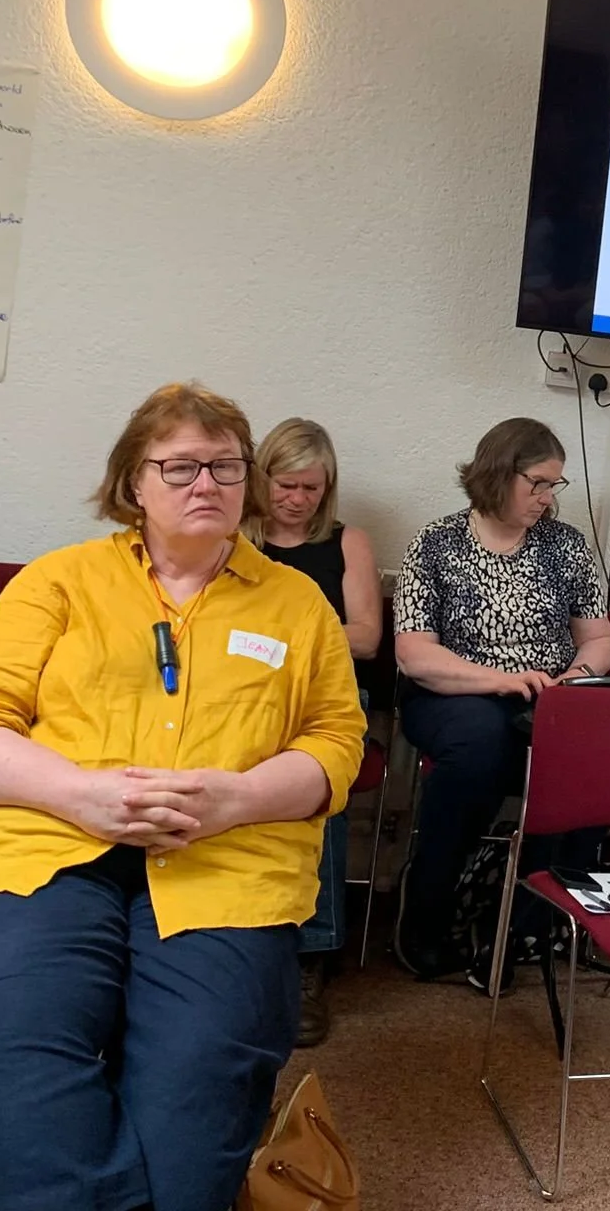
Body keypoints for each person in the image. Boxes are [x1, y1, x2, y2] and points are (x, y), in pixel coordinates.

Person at [0, 383, 366, 1211]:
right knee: (25, 1055)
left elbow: (336, 748)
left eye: (227, 467)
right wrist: (80, 794)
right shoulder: (58, 582)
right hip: (44, 852)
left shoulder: (298, 604)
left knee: (199, 1089)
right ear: (134, 483)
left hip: (228, 865)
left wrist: (238, 798)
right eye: (182, 466)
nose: (208, 484)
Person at [390, 418, 610, 980]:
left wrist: (575, 677)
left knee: (584, 756)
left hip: (545, 695)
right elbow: (416, 656)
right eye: (537, 483)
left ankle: (529, 923)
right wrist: (501, 679)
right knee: (481, 744)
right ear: (498, 473)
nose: (546, 498)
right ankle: (430, 909)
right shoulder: (436, 543)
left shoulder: (563, 546)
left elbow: (599, 637)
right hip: (453, 693)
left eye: (554, 486)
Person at [249, 417, 381, 1048]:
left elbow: (367, 637)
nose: (297, 499)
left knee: (316, 781)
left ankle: (310, 953)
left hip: (325, 693)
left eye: (310, 488)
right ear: (262, 478)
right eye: (286, 485)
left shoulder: (346, 543)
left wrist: (290, 642)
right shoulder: (233, 538)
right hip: (243, 693)